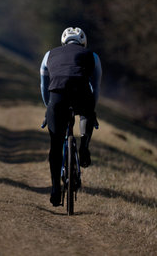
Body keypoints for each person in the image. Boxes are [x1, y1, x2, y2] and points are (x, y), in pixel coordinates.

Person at [40, 27, 102, 206]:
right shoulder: (93, 56)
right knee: (86, 112)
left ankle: (55, 189)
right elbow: (95, 87)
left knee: (55, 144)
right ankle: (84, 147)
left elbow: (44, 86)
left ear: (63, 42)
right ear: (83, 43)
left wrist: (49, 107)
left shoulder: (48, 55)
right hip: (81, 93)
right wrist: (91, 111)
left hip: (57, 97)